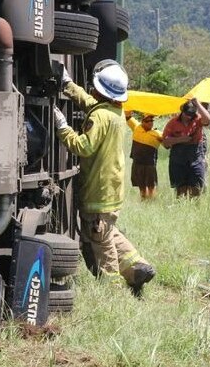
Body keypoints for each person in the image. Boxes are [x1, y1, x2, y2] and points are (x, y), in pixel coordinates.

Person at [52, 60, 156, 297]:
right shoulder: (115, 112)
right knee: (107, 229)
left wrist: (62, 127)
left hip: (98, 192)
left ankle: (113, 289)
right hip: (112, 190)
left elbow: (83, 146)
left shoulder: (99, 116)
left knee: (99, 237)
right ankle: (135, 265)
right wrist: (68, 85)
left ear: (99, 89)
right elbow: (91, 104)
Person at [162, 98, 210, 197]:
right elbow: (165, 142)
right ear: (182, 112)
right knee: (180, 188)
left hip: (195, 157)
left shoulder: (198, 119)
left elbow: (208, 119)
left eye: (191, 115)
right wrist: (180, 139)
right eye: (187, 114)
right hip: (178, 159)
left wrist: (197, 103)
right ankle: (181, 208)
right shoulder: (173, 123)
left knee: (196, 187)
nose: (189, 117)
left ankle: (194, 209)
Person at [125, 111, 163, 200]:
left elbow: (167, 144)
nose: (150, 122)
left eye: (151, 121)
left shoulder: (158, 134)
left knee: (151, 185)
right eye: (147, 121)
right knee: (141, 185)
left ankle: (151, 202)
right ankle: (143, 201)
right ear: (142, 121)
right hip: (137, 162)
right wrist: (130, 106)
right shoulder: (136, 127)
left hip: (150, 164)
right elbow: (127, 116)